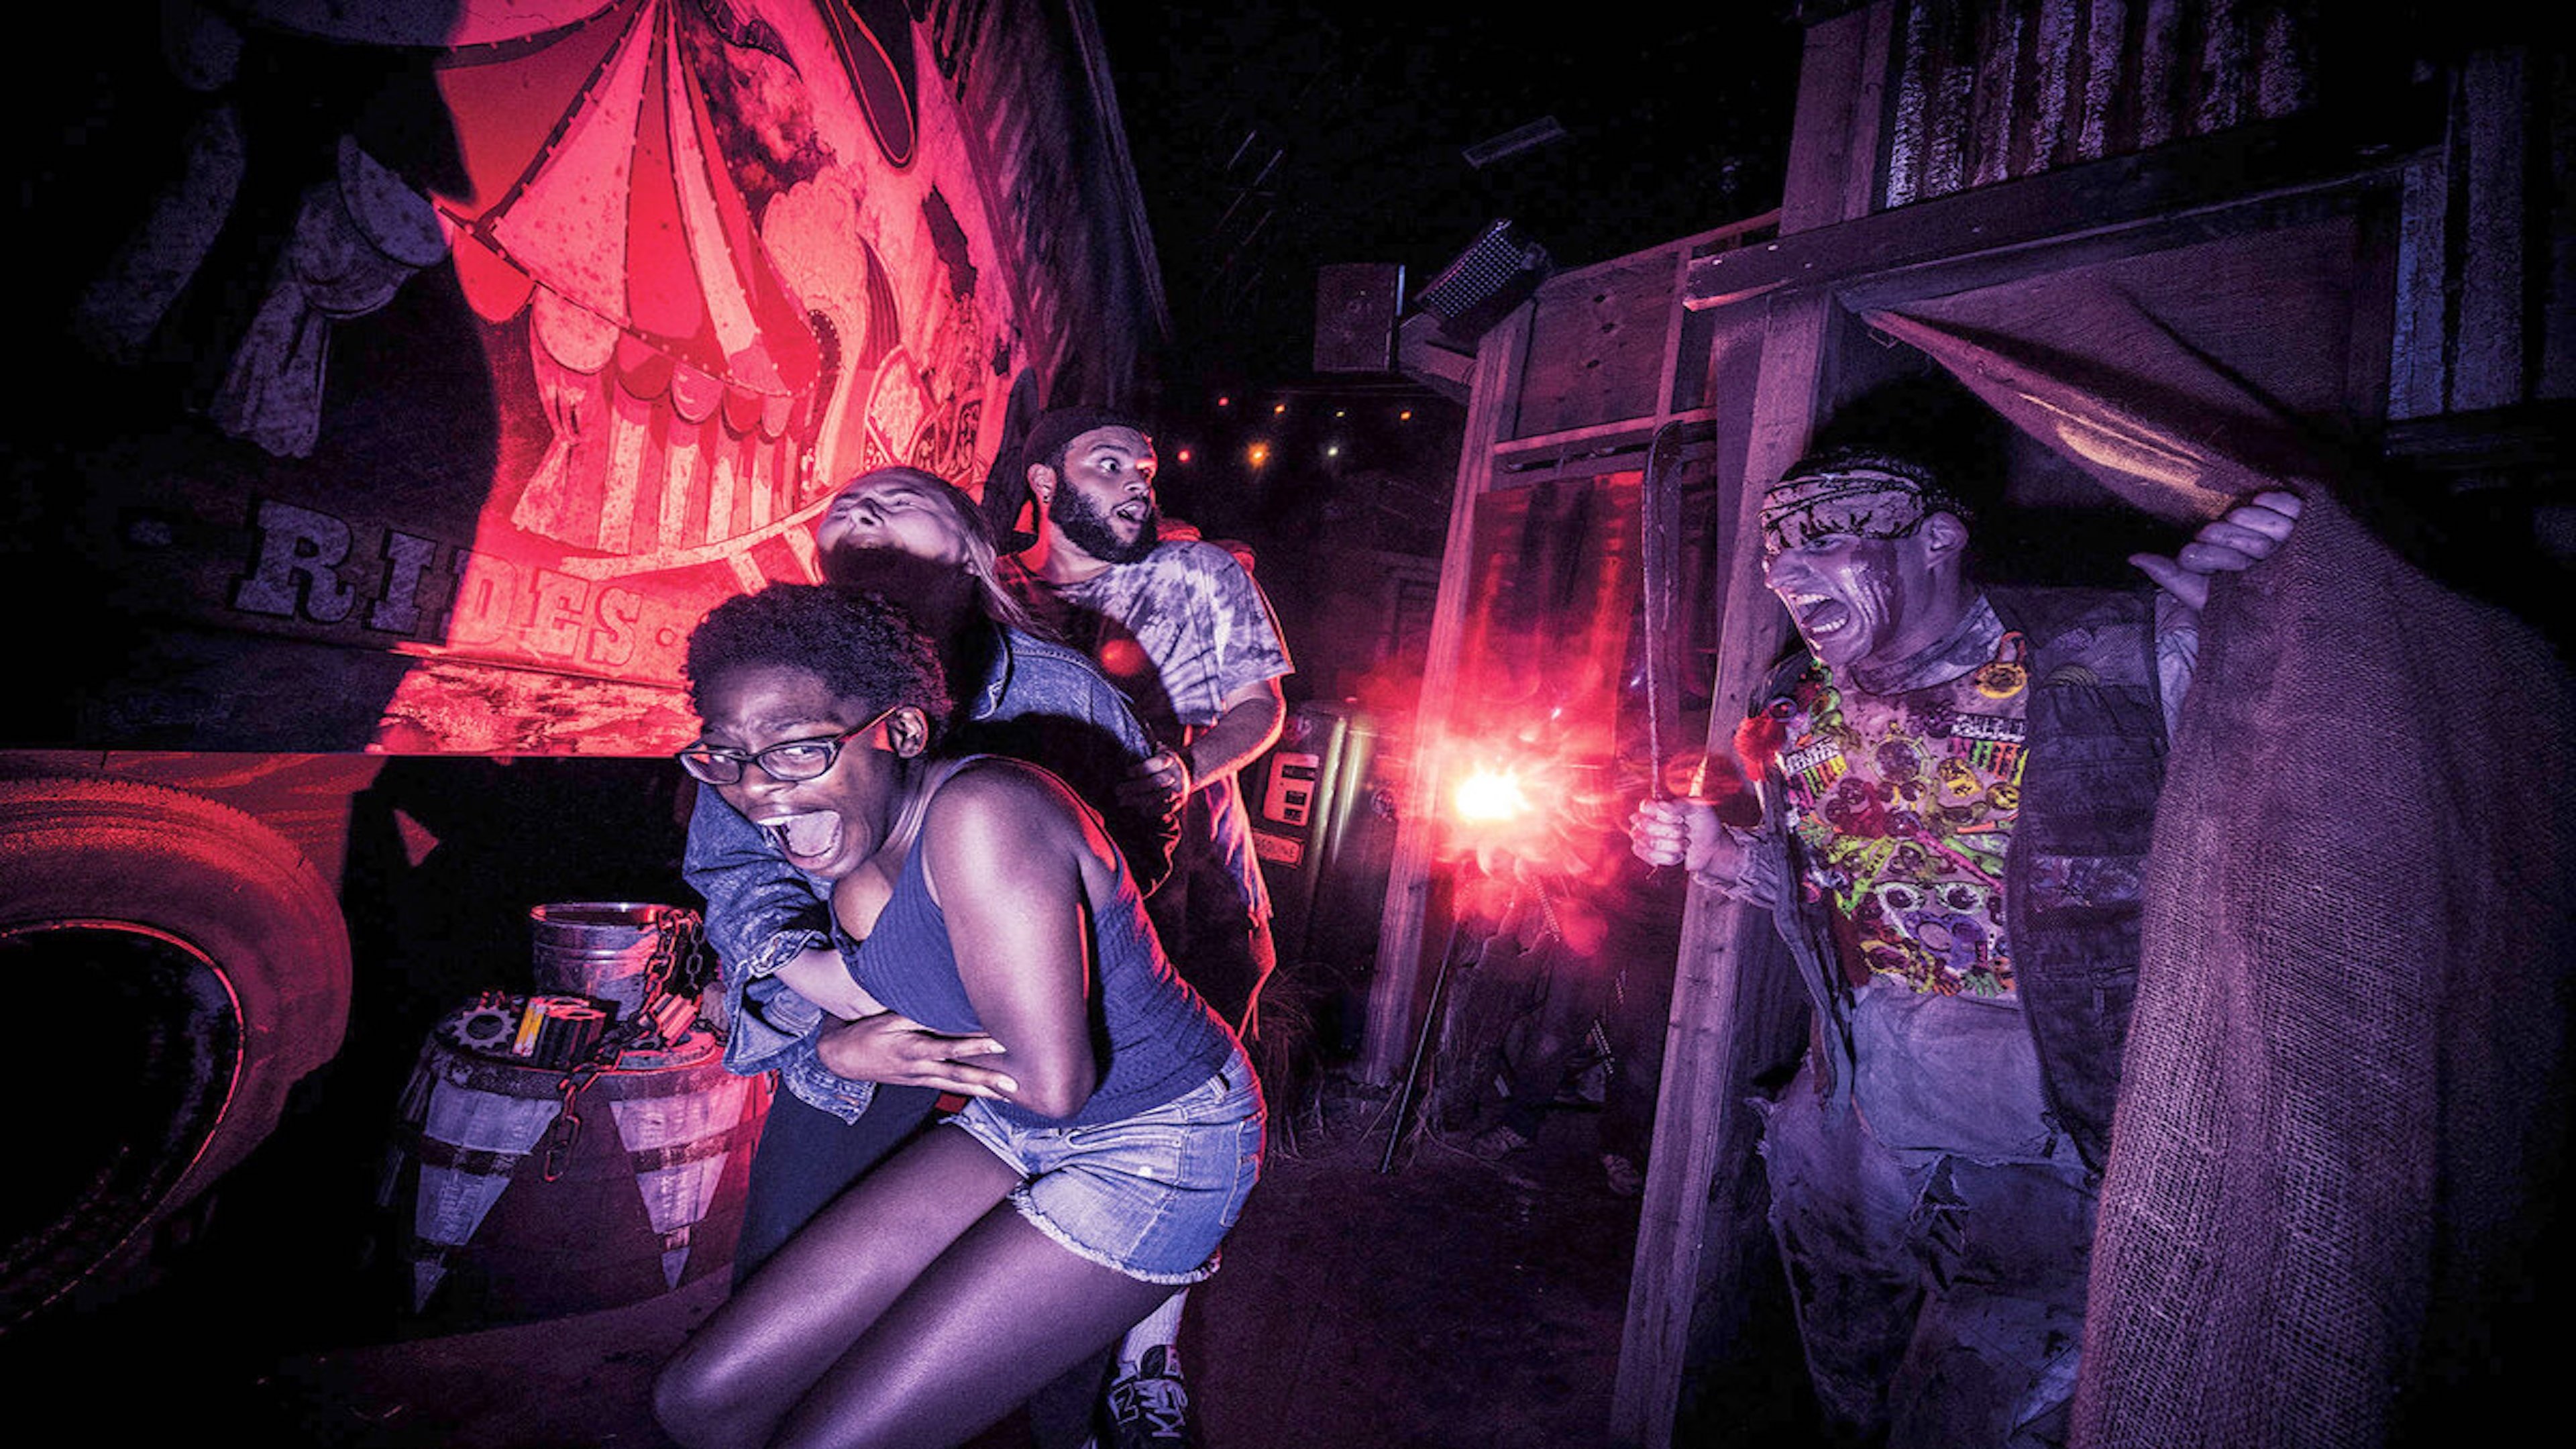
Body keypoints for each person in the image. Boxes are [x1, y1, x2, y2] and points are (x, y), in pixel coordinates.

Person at [1626, 447, 2300, 1447]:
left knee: (1979, 1408)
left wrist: (2278, 600)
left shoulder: (2114, 655)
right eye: (1775, 558)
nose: (1788, 576)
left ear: (1938, 539)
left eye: (1827, 544)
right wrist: (1725, 853)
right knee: (1849, 1389)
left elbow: (2305, 757)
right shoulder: (1794, 702)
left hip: (2047, 1142)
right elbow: (1828, 891)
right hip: (1855, 1124)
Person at [653, 584, 1263, 1449]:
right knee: (699, 1401)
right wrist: (834, 1044)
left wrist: (846, 1052)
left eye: (797, 750)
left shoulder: (985, 816)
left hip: (1159, 1139)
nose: (755, 791)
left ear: (902, 732)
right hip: (1014, 1123)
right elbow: (877, 1010)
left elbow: (1052, 1083)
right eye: (727, 756)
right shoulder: (854, 853)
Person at [685, 466, 1177, 1289]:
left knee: (1015, 1310)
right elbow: (730, 861)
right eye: (845, 507)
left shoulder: (1064, 691)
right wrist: (814, 977)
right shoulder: (769, 684)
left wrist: (1003, 965)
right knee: (787, 1284)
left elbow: (1142, 857)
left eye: (902, 500)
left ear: (973, 551)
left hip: (1048, 1052)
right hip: (850, 1044)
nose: (862, 508)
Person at [1001, 406, 1295, 1442]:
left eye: (1146, 464)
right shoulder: (999, 589)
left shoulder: (1196, 577)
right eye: (1109, 461)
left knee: (1174, 1136)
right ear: (1044, 483)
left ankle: (1147, 1363)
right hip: (1048, 901)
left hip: (1194, 899)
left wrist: (1185, 768)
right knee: (1062, 1127)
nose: (1138, 478)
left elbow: (1261, 710)